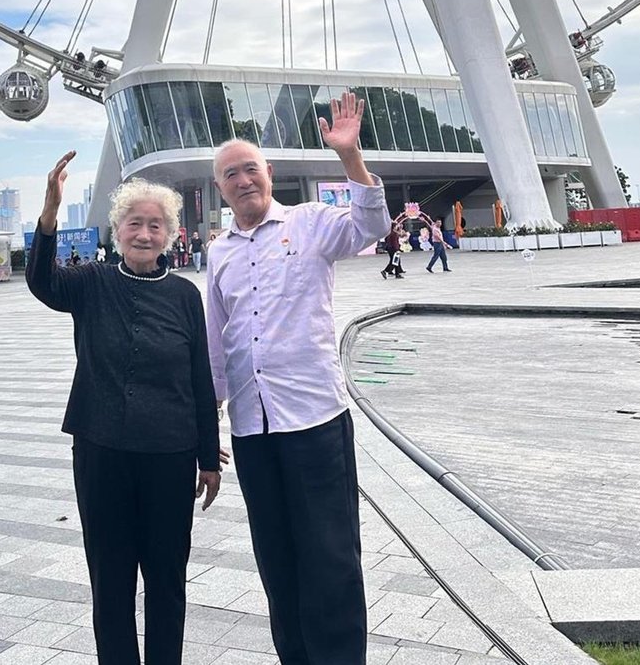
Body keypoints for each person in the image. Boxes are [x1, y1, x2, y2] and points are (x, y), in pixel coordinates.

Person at [206, 92, 391, 665]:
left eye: (250, 169)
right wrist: (202, 433)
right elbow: (217, 345)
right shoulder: (217, 253)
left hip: (314, 419)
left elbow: (371, 225)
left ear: (271, 174)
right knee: (277, 560)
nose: (243, 180)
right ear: (221, 188)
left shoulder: (312, 224)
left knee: (332, 557)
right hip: (252, 430)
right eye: (230, 174)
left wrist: (350, 156)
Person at [26, 152, 223, 665]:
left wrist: (207, 456)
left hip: (169, 454)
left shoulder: (184, 295)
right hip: (102, 451)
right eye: (134, 223)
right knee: (110, 581)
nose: (144, 233)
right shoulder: (90, 283)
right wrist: (49, 217)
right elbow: (42, 283)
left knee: (167, 579)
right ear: (117, 229)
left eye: (155, 225)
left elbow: (200, 376)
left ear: (171, 235)